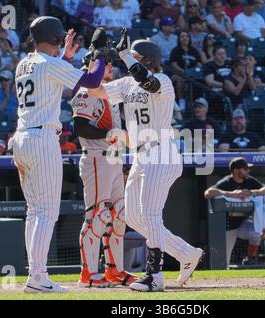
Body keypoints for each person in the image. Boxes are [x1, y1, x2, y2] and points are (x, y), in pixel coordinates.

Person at [87, 29, 204, 292]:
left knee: (150, 214)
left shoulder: (163, 80)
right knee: (136, 218)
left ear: (148, 60)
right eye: (130, 58)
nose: (129, 63)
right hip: (140, 153)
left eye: (136, 58)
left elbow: (147, 82)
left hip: (161, 151)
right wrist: (93, 59)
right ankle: (186, 254)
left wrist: (126, 55)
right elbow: (94, 92)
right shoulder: (127, 83)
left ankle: (155, 276)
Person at [10, 16, 108, 294]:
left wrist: (63, 55)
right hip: (41, 139)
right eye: (59, 38)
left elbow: (55, 80)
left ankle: (36, 274)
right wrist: (99, 55)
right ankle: (38, 276)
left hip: (22, 137)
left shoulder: (24, 63)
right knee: (46, 212)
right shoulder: (49, 64)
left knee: (35, 212)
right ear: (53, 38)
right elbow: (90, 81)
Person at [72, 53, 139, 288]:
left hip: (113, 159)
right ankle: (88, 273)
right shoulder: (84, 91)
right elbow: (79, 128)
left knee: (120, 215)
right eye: (104, 63)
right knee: (97, 216)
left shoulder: (109, 92)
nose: (110, 67)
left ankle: (115, 271)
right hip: (96, 159)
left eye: (110, 63)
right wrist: (108, 134)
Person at [204, 157, 265, 265]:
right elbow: (208, 193)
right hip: (228, 227)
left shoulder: (249, 181)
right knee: (224, 261)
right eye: (245, 168)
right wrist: (231, 194)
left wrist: (252, 192)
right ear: (237, 170)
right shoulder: (227, 182)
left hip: (242, 224)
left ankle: (249, 259)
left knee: (256, 232)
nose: (248, 171)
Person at [170, 31, 202, 110]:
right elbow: (173, 64)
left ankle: (197, 101)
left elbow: (199, 63)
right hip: (179, 73)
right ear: (179, 39)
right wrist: (184, 71)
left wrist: (195, 71)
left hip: (193, 73)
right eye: (182, 36)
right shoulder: (175, 50)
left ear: (189, 38)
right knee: (181, 77)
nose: (185, 38)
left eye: (186, 36)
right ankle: (182, 101)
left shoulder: (194, 50)